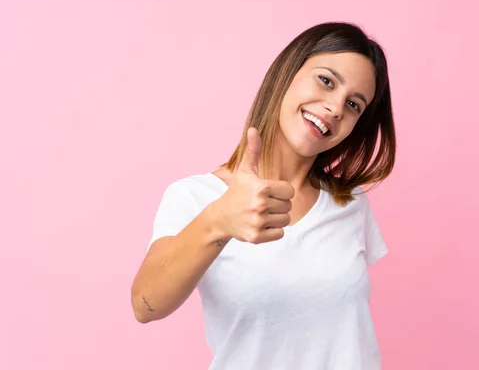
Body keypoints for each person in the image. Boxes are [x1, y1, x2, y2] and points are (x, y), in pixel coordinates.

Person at [130, 21, 396, 369]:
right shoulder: (195, 196)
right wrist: (218, 221)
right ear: (287, 72)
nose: (335, 108)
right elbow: (145, 304)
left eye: (354, 105)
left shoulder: (350, 201)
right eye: (326, 81)